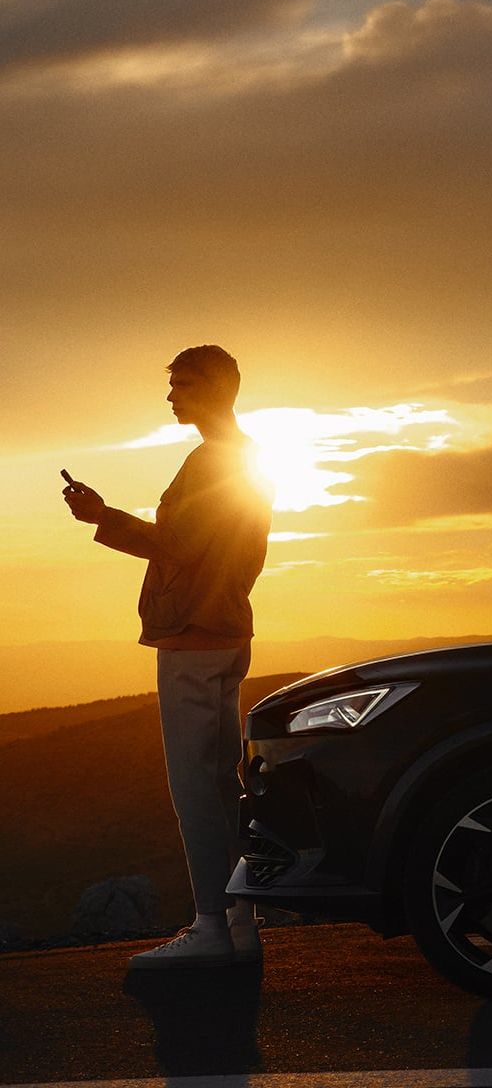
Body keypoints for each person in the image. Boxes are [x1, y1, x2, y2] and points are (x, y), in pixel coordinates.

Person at [64, 345, 273, 969]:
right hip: (225, 631)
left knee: (195, 786)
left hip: (194, 637)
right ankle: (239, 921)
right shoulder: (245, 456)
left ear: (213, 390)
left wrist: (102, 517)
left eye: (182, 384)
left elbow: (178, 545)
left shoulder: (215, 461)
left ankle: (211, 926)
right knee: (219, 784)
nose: (171, 395)